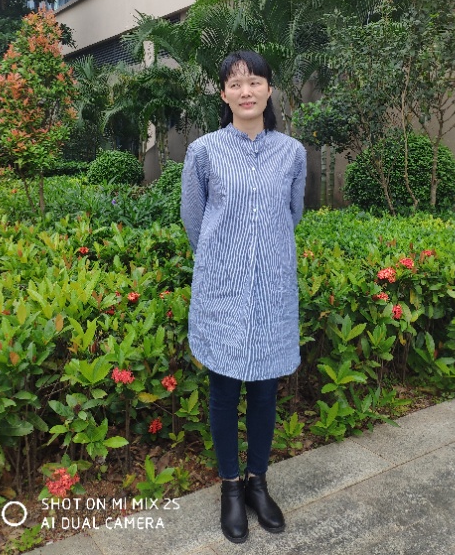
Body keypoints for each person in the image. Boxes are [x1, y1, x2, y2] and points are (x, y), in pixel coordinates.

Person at [180, 50, 307, 544]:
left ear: (269, 90)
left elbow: (292, 213)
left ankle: (258, 481)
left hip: (273, 287)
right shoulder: (204, 151)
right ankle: (230, 487)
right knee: (224, 390)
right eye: (236, 84)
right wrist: (226, 259)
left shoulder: (291, 152)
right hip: (222, 289)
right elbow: (195, 219)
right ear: (224, 94)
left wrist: (263, 253)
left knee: (264, 391)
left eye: (255, 81)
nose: (246, 91)